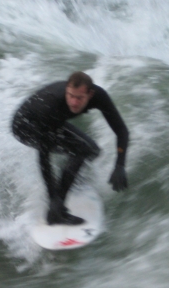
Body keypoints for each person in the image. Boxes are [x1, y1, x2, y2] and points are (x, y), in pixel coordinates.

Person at [12, 71, 129, 225]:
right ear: (66, 89)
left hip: (52, 120)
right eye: (70, 96)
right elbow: (43, 157)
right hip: (25, 126)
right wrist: (53, 198)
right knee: (82, 150)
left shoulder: (99, 96)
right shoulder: (51, 105)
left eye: (79, 98)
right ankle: (56, 212)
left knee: (92, 150)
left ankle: (71, 178)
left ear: (90, 94)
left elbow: (121, 131)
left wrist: (120, 164)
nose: (74, 102)